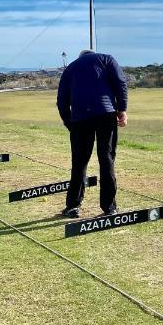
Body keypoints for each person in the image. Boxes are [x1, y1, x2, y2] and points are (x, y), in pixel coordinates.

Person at [56, 49, 128, 218]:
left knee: (79, 162)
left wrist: (69, 123)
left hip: (80, 118)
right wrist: (122, 110)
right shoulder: (107, 59)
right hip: (106, 114)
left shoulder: (70, 68)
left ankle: (73, 206)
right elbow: (121, 83)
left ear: (80, 57)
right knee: (106, 158)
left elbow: (61, 100)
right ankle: (110, 208)